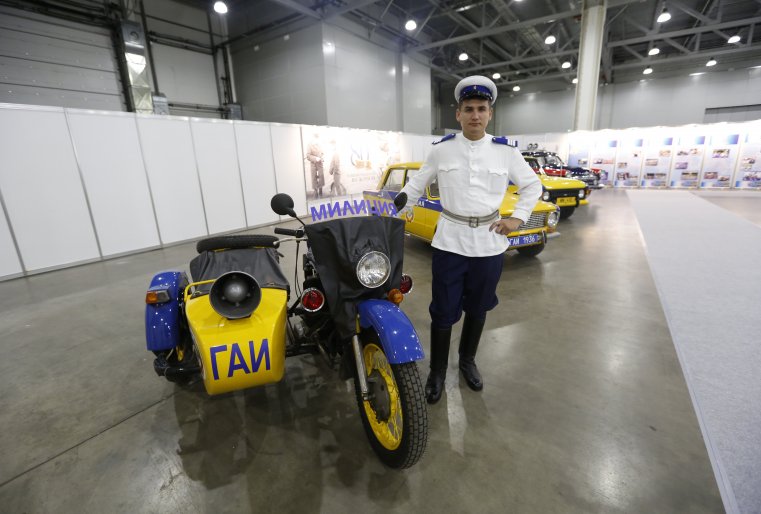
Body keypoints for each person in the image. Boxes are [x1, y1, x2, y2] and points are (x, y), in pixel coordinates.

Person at [397, 75, 542, 404]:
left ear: (490, 114)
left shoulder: (506, 152)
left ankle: (467, 361)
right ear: (458, 114)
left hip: (489, 244)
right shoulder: (442, 150)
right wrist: (398, 204)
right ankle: (436, 371)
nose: (475, 115)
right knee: (443, 310)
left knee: (478, 307)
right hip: (450, 242)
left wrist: (517, 218)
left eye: (481, 109)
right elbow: (417, 183)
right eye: (468, 109)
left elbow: (532, 186)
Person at [305, 133, 325, 198]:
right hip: (313, 163)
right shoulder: (309, 145)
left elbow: (322, 152)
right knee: (314, 177)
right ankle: (315, 191)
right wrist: (315, 158)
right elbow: (308, 156)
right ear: (313, 137)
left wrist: (321, 157)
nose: (317, 139)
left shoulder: (320, 144)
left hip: (320, 163)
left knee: (321, 176)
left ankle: (320, 190)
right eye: (316, 138)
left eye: (317, 138)